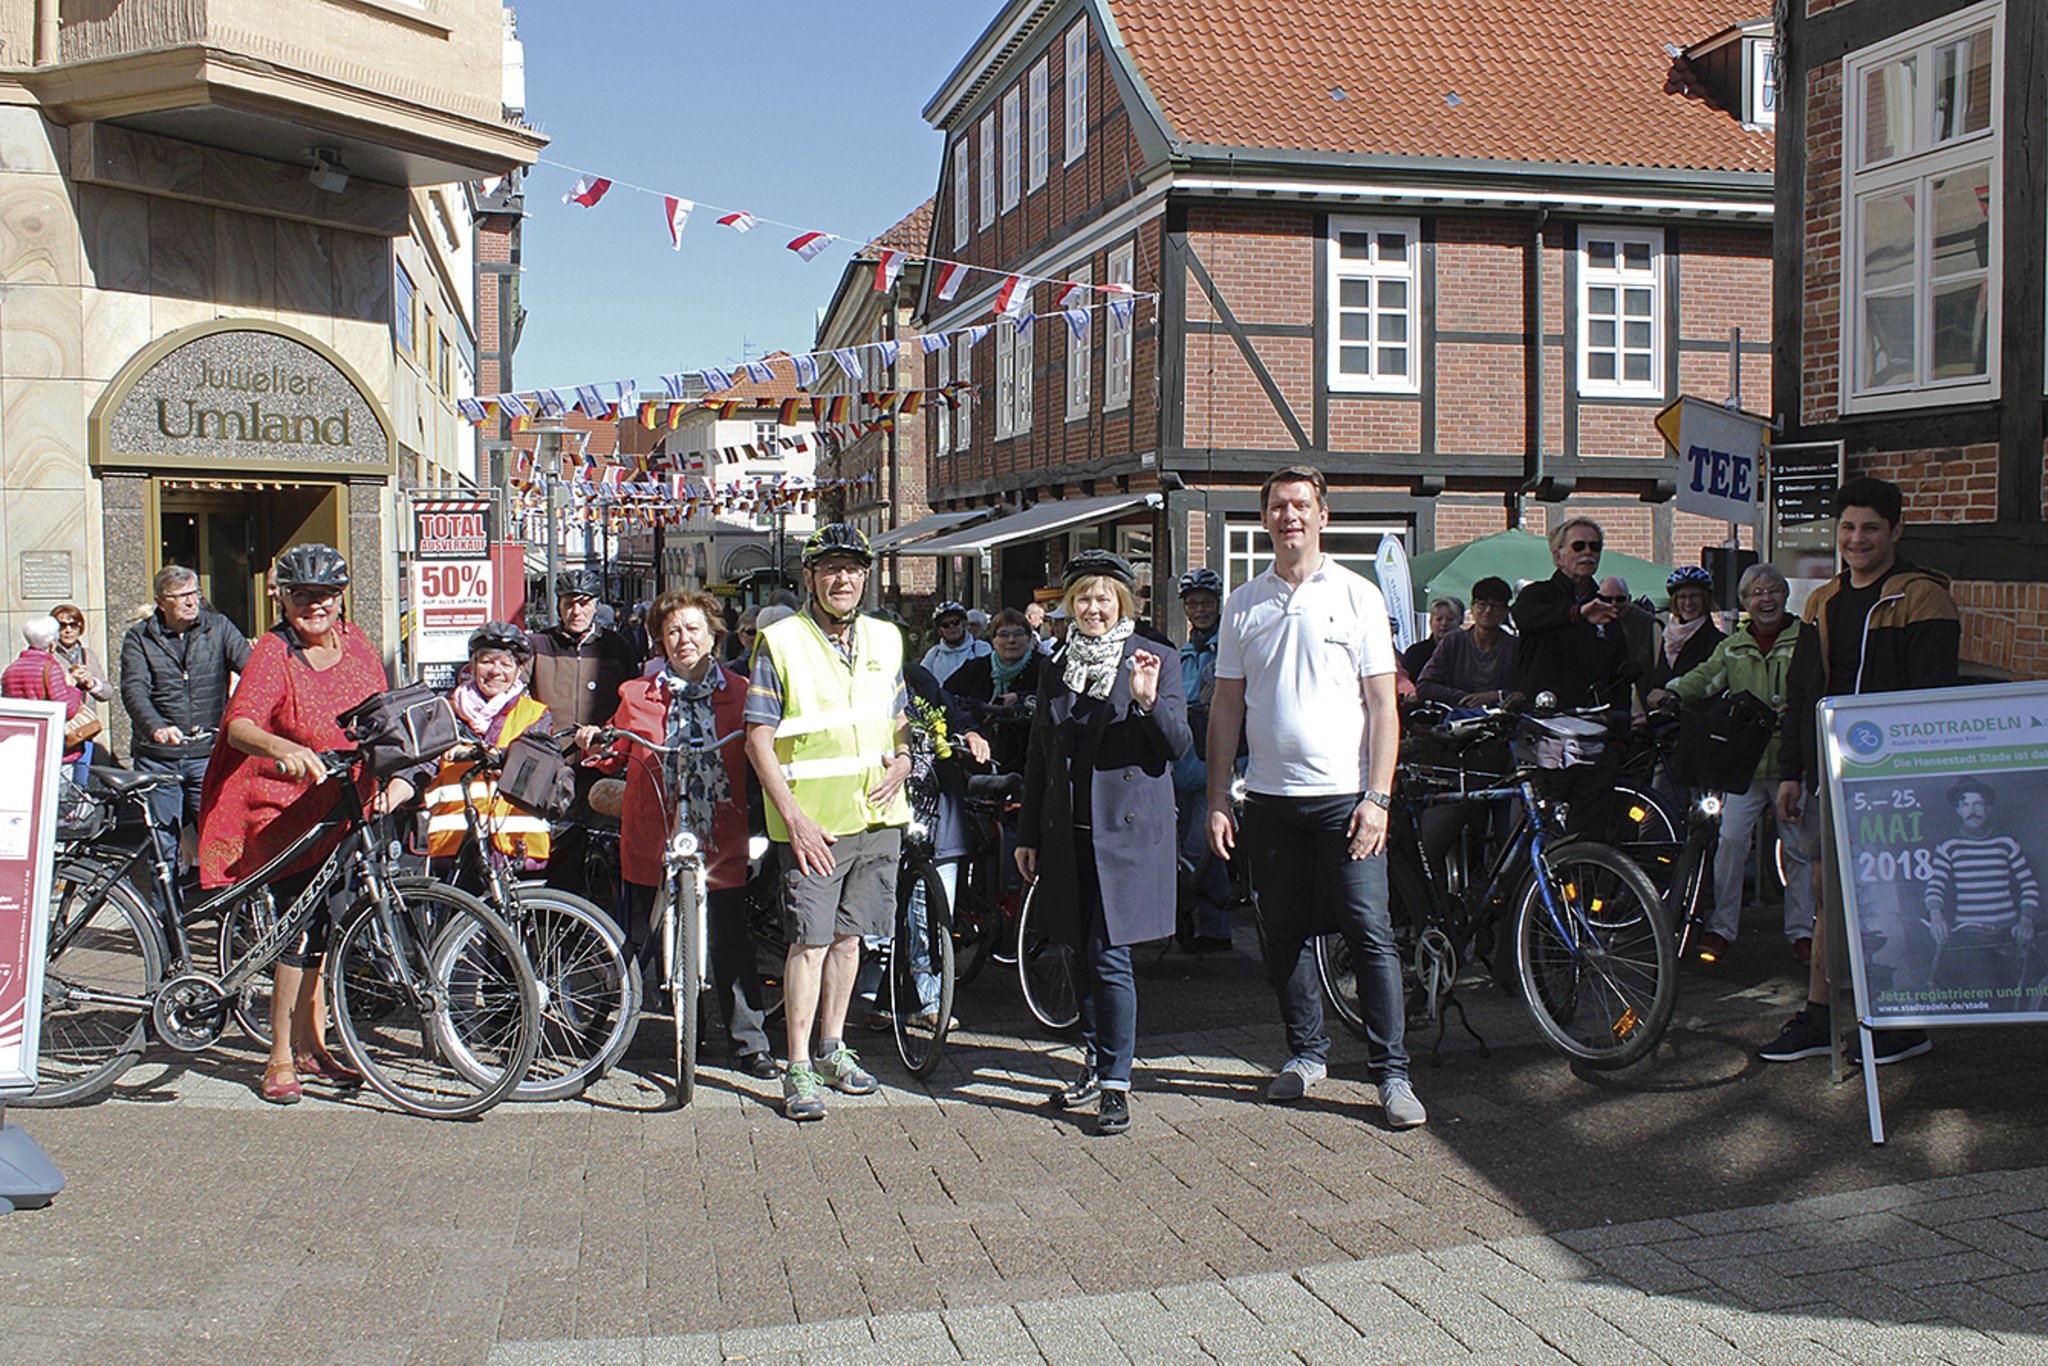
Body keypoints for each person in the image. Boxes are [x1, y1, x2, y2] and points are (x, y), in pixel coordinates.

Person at [1207, 465, 1425, 1130]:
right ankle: (1306, 1054)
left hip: (1346, 801)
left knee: (1370, 933)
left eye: (1301, 505)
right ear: (1265, 518)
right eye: (1278, 506)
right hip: (1271, 801)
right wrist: (1219, 794)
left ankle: (1392, 1074)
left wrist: (1379, 797)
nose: (1289, 516)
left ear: (1323, 517)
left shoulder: (1358, 596)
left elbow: (1384, 707)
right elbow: (1225, 706)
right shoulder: (1243, 603)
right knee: (1285, 936)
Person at [196, 544, 422, 1105]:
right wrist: (283, 747)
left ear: (340, 598)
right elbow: (239, 725)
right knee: (296, 937)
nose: (313, 606)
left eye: (323, 596)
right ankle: (277, 1059)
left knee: (326, 932)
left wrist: (406, 765)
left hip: (347, 807)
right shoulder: (275, 652)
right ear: (284, 599)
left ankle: (313, 1048)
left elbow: (382, 709)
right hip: (290, 814)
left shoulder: (359, 643)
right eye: (301, 596)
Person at [1761, 475, 1960, 1066]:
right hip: (1829, 773)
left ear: (1895, 531)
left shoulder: (1923, 598)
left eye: (1871, 527)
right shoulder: (1822, 601)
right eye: (1848, 527)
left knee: (1894, 898)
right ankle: (1820, 1016)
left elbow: (1931, 699)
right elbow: (1801, 694)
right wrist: (1793, 771)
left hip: (1892, 777)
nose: (1857, 538)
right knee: (1828, 897)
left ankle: (1904, 1023)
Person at [1017, 550, 1190, 1135]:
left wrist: (1144, 701)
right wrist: (1027, 833)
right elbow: (1040, 752)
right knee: (1078, 949)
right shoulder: (1056, 661)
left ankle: (1117, 1081)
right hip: (1069, 832)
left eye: (1103, 598)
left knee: (1110, 955)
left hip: (1129, 832)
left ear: (1123, 603)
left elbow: (1176, 745)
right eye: (1083, 598)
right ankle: (1094, 1060)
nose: (1093, 608)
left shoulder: (1155, 657)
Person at [746, 524, 912, 1120]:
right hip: (813, 822)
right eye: (830, 569)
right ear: (811, 577)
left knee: (849, 940)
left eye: (853, 569)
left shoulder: (887, 637)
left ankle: (834, 1047)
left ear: (865, 577)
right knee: (809, 943)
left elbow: (899, 717)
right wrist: (793, 817)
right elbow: (757, 739)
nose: (843, 579)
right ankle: (796, 1067)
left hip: (878, 815)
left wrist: (906, 756)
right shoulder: (781, 641)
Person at [582, 590, 776, 1079]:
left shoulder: (742, 691)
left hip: (719, 833)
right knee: (638, 940)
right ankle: (620, 1028)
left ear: (713, 634)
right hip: (653, 830)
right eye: (672, 631)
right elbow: (613, 749)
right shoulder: (636, 693)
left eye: (692, 629)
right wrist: (593, 740)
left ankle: (749, 1043)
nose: (682, 638)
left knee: (731, 938)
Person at [1646, 563, 1812, 965]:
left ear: (1785, 596)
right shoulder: (1734, 645)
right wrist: (1669, 692)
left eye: (1772, 590)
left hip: (1793, 762)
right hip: (1747, 764)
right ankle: (1721, 928)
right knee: (1731, 843)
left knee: (1798, 850)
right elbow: (1705, 676)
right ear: (1745, 602)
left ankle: (1803, 932)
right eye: (1756, 593)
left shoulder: (1806, 639)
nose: (1765, 599)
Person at [120, 566, 254, 884]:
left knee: (221, 838)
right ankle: (168, 926)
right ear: (160, 602)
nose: (191, 601)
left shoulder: (218, 628)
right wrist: (156, 727)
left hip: (207, 753)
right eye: (181, 596)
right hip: (159, 756)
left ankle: (230, 921)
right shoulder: (140, 638)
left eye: (194, 593)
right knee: (164, 848)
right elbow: (134, 689)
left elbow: (252, 671)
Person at [1510, 518, 1634, 834]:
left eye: (1595, 547)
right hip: (1544, 732)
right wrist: (1578, 614)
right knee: (1542, 827)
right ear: (1558, 555)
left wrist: (1619, 738)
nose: (1587, 553)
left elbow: (1619, 674)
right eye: (1578, 546)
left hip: (1591, 735)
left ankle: (1587, 879)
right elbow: (1526, 618)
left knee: (1589, 829)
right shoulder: (1539, 594)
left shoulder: (1608, 607)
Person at [528, 568, 638, 895]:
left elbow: (632, 702)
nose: (576, 611)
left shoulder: (616, 647)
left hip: (598, 764)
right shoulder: (539, 644)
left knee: (601, 850)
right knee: (556, 850)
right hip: (551, 766)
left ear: (595, 605)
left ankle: (601, 921)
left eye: (584, 603)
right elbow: (514, 696)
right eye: (568, 604)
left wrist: (607, 733)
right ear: (558, 606)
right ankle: (558, 920)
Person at [424, 622, 553, 873]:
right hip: (455, 844)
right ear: (472, 665)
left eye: (506, 664)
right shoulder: (445, 712)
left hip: (515, 846)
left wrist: (497, 756)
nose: (496, 671)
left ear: (519, 671)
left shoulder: (535, 715)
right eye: (486, 661)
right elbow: (422, 766)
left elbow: (536, 762)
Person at [1923, 781, 2041, 996]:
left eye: (1978, 805)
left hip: (2008, 934)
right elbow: (1935, 885)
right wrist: (1936, 915)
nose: (1972, 811)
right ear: (1958, 810)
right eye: (1966, 805)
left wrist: (2025, 921)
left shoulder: (2006, 843)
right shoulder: (1950, 847)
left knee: (2028, 986)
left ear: (1988, 809)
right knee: (1983, 991)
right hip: (1971, 937)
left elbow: (2029, 885)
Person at [1170, 567, 1233, 950]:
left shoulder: (1227, 648)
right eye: (1193, 604)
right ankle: (1192, 922)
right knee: (1182, 850)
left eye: (1207, 603)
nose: (1200, 610)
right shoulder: (1182, 654)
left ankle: (1215, 927)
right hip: (1182, 762)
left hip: (1214, 762)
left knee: (1204, 847)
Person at [946, 607, 1044, 773]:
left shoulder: (1043, 667)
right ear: (993, 640)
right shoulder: (976, 668)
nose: (1011, 640)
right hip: (981, 758)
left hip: (1030, 757)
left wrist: (1020, 698)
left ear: (1029, 639)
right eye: (1004, 635)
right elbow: (946, 698)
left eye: (1018, 634)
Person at [1414, 576, 1517, 707]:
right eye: (1482, 604)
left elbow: (1525, 690)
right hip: (1458, 717)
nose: (1488, 611)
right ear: (1472, 607)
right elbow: (1424, 685)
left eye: (1495, 606)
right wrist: (1465, 698)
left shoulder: (1514, 647)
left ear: (1505, 612)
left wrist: (1497, 695)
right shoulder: (1453, 642)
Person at [4, 616, 87, 776]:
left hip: (22, 744)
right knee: (60, 796)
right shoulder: (50, 668)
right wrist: (73, 687)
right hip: (52, 746)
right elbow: (66, 709)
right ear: (52, 643)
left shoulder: (11, 669)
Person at [1647, 566, 1725, 696]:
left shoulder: (1718, 642)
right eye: (1682, 597)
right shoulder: (1664, 637)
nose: (1688, 603)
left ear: (1705, 599)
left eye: (1694, 596)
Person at [920, 601, 989, 685]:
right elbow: (921, 681)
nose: (951, 627)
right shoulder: (934, 654)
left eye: (955, 622)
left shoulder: (980, 648)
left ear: (963, 624)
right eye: (945, 625)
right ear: (940, 630)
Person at [1402, 594, 1464, 679]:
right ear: (1430, 622)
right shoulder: (1416, 653)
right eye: (1439, 619)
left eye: (1450, 619)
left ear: (1460, 622)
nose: (1444, 624)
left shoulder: (1467, 652)